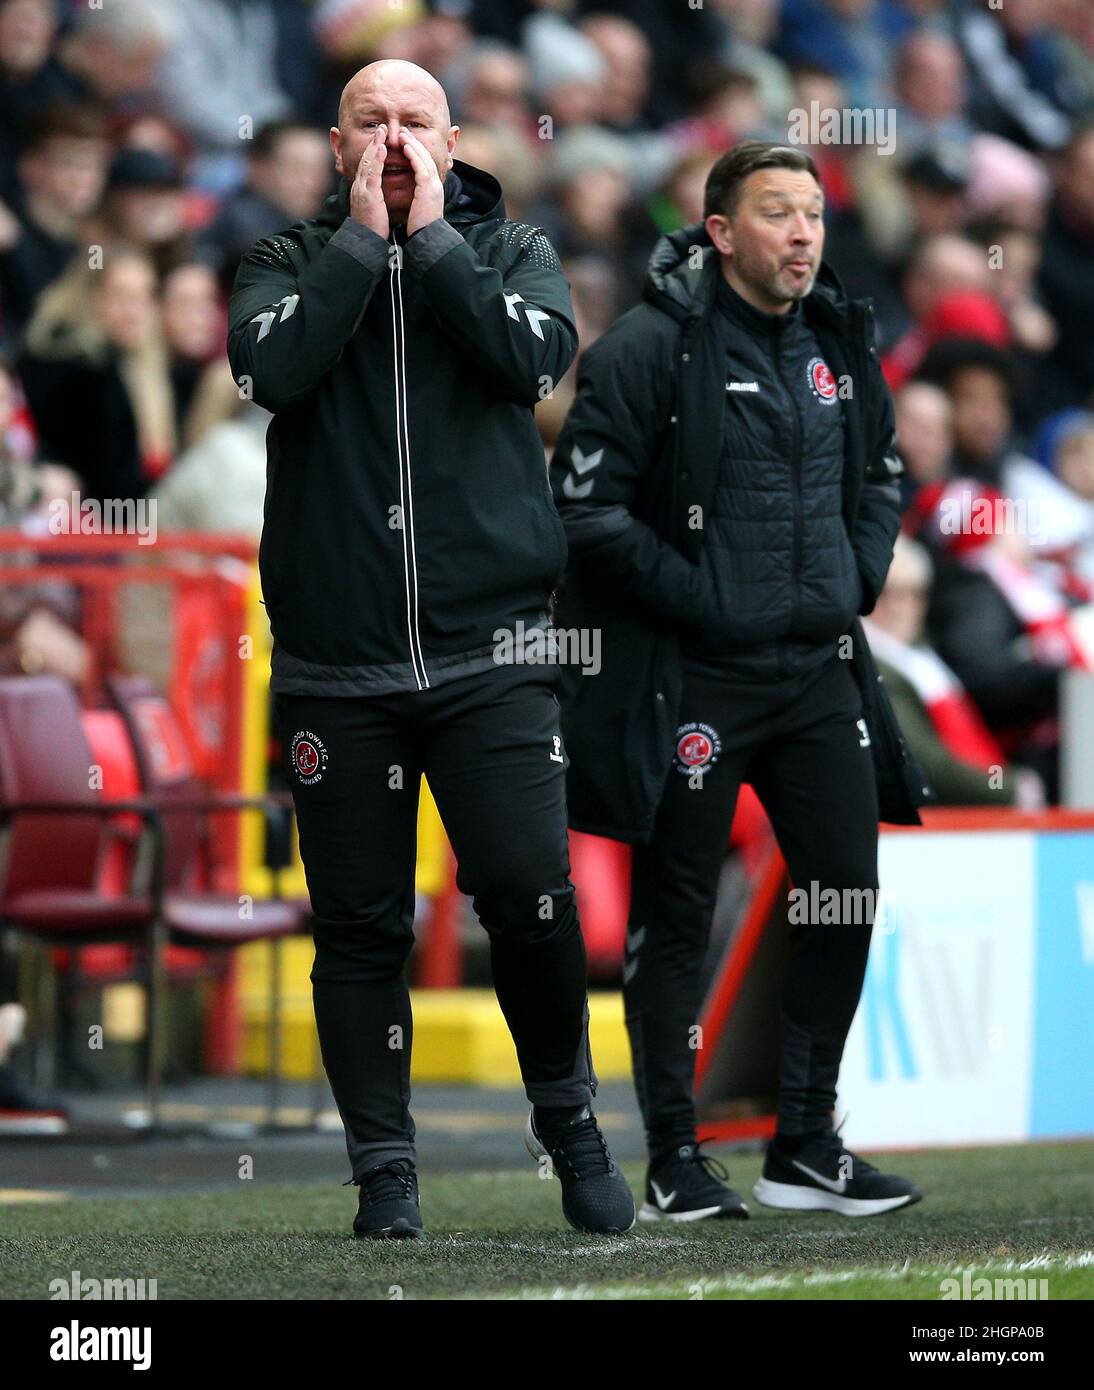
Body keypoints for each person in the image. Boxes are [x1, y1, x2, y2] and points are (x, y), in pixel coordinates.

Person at [227, 58, 633, 1240]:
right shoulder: (282, 262)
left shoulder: (512, 251)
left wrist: (432, 243)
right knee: (358, 926)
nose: (392, 140)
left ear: (453, 141)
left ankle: (568, 1122)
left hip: (491, 648)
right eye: (370, 122)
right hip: (335, 664)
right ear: (335, 141)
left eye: (414, 121)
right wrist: (364, 244)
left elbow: (532, 362)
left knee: (531, 894)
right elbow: (273, 370)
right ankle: (385, 1169)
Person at [551, 140, 927, 1223]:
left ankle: (803, 1143)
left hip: (816, 673)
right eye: (776, 213)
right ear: (719, 231)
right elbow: (581, 510)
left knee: (844, 894)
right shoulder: (644, 351)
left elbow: (881, 474)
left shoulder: (840, 345)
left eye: (811, 213)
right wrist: (698, 592)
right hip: (693, 680)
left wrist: (858, 571)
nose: (802, 233)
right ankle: (674, 1155)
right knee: (674, 917)